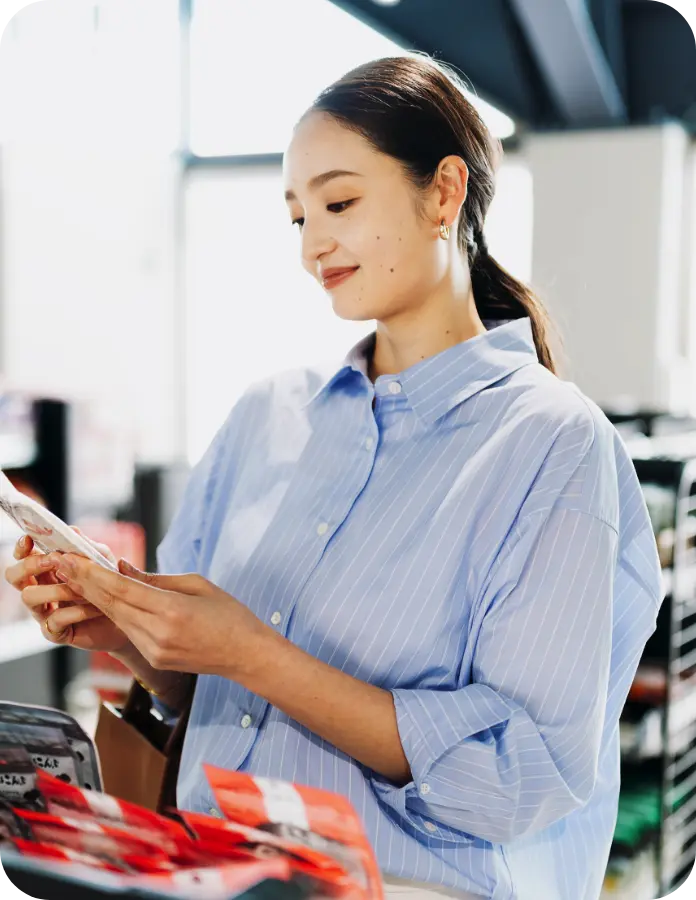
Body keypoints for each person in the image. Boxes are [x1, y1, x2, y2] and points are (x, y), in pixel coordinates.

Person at [5, 55, 662, 900]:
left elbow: (518, 775)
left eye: (340, 203)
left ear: (444, 193)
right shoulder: (264, 417)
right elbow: (205, 690)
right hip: (209, 876)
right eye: (297, 216)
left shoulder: (555, 448)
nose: (313, 245)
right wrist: (126, 632)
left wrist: (256, 655)